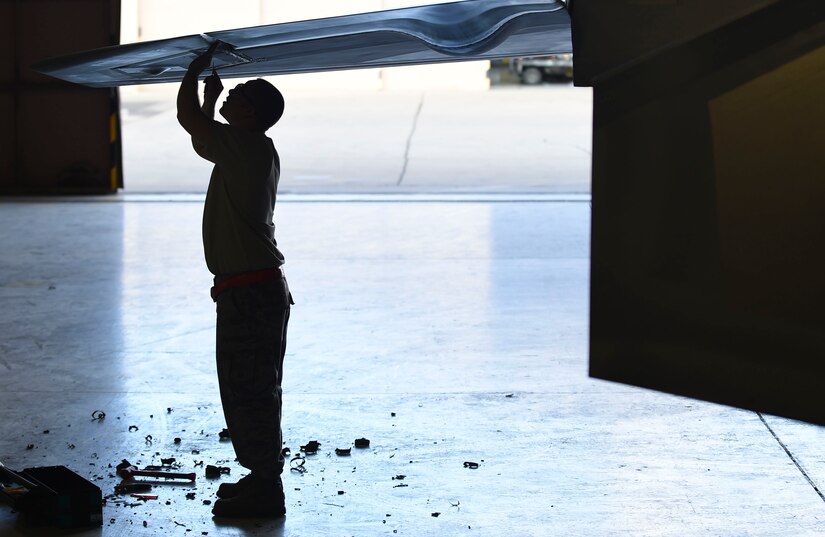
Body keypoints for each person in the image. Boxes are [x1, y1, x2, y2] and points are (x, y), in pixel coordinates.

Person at [177, 41, 291, 519]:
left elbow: (190, 123)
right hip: (251, 290)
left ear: (255, 114)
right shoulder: (250, 148)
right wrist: (210, 96)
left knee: (248, 389)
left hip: (250, 293)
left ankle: (266, 489)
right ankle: (259, 476)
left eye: (239, 95)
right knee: (251, 387)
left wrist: (197, 68)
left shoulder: (243, 148)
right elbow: (205, 134)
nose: (231, 97)